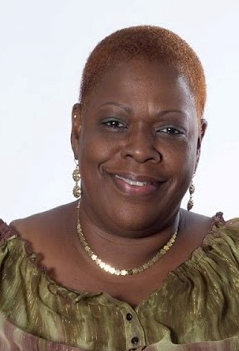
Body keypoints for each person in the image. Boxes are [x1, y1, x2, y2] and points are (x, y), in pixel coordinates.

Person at [0, 25, 239, 351]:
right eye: (115, 123)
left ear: (198, 144)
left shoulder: (234, 269)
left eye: (170, 129)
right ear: (77, 129)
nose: (140, 150)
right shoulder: (6, 273)